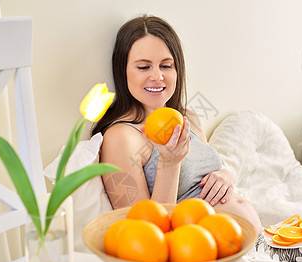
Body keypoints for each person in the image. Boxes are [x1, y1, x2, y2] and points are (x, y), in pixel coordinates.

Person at [92, 14, 262, 233]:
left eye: (166, 65)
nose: (157, 76)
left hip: (254, 241)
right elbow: (146, 231)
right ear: (122, 71)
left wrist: (226, 176)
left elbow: (207, 173)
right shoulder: (121, 138)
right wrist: (169, 163)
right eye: (144, 67)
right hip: (202, 253)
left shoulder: (188, 117)